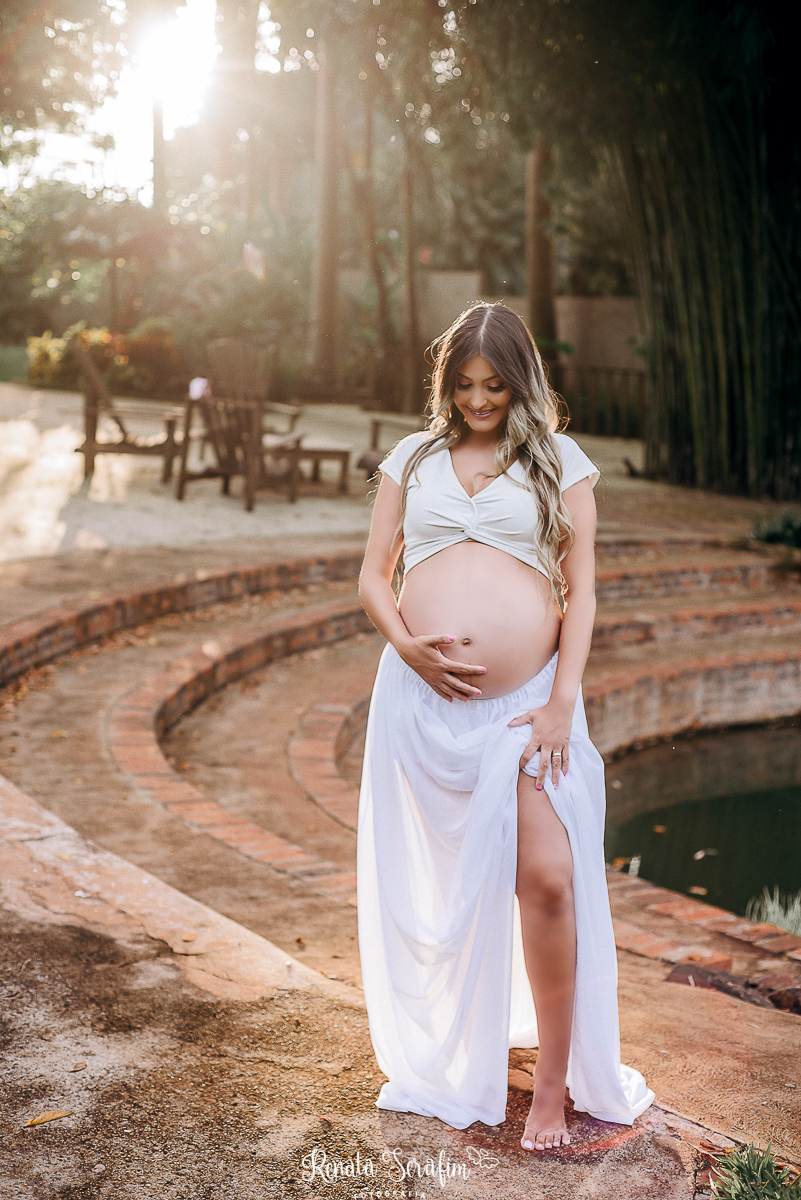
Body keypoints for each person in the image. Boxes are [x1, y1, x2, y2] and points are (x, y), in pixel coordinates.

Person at [356, 302, 653, 1151]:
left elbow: (580, 592)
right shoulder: (413, 459)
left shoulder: (561, 462)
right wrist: (406, 645)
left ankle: (554, 1087)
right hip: (421, 704)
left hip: (526, 710)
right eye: (463, 384)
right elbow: (374, 575)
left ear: (521, 381)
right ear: (445, 383)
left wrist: (561, 701)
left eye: (494, 384)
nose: (479, 400)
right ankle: (461, 1047)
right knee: (451, 889)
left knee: (548, 880)